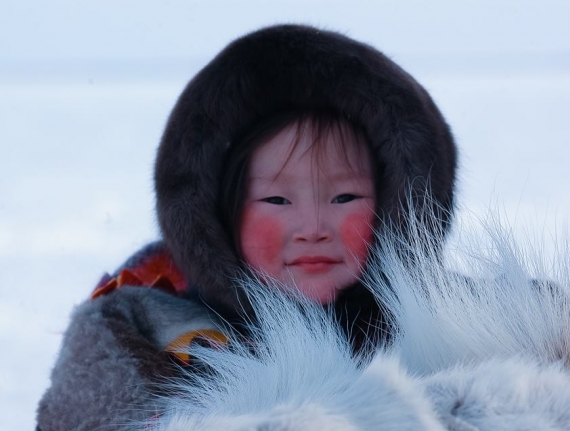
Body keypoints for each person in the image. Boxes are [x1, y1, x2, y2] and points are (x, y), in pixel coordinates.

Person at [36, 24, 457, 431]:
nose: (313, 228)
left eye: (344, 198)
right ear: (218, 216)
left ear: (393, 204)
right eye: (277, 200)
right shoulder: (139, 335)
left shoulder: (449, 330)